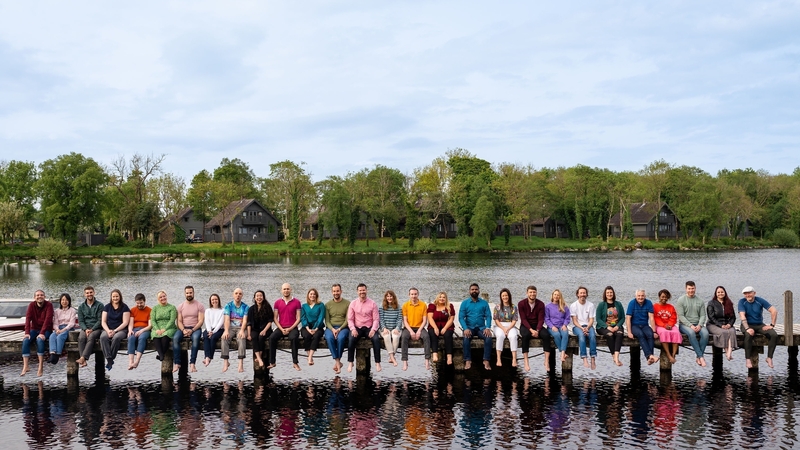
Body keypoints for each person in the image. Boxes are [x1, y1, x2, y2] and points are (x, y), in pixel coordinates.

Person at [738, 286, 778, 369]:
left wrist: (772, 325)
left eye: (749, 293)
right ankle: (748, 359)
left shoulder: (759, 300)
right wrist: (747, 328)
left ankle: (769, 357)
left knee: (773, 335)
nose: (747, 295)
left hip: (759, 325)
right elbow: (742, 316)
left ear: (754, 293)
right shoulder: (742, 302)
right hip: (747, 325)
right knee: (748, 335)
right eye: (745, 294)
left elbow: (773, 310)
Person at [346, 283, 382, 373]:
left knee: (376, 339)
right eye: (360, 290)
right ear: (357, 292)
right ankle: (350, 362)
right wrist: (353, 329)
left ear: (366, 291)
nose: (362, 292)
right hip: (357, 327)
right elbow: (350, 319)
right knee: (351, 339)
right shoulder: (353, 304)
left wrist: (373, 330)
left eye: (363, 290)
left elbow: (376, 319)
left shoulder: (372, 303)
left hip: (369, 327)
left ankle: (377, 362)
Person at [458, 283, 493, 370]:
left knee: (488, 337)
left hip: (481, 327)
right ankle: (468, 360)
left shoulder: (484, 303)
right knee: (466, 338)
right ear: (469, 291)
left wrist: (488, 327)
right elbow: (461, 317)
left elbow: (488, 316)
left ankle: (486, 360)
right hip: (469, 327)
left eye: (476, 289)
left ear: (479, 291)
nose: (474, 291)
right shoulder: (465, 303)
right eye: (472, 289)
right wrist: (465, 328)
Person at [269, 283, 302, 371]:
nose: (286, 291)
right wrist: (281, 329)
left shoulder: (297, 302)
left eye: (288, 289)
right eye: (284, 289)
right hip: (281, 327)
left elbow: (298, 318)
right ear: (281, 290)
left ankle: (295, 362)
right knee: (272, 338)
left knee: (294, 338)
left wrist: (290, 328)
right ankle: (272, 362)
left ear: (291, 290)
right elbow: (275, 318)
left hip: (293, 327)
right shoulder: (277, 302)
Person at [21, 290, 54, 376]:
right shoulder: (31, 305)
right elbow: (28, 319)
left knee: (39, 340)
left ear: (44, 297)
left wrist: (42, 333)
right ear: (34, 297)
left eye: (41, 295)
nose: (40, 297)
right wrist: (27, 332)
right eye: (37, 295)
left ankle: (40, 366)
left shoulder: (49, 305)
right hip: (34, 329)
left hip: (46, 330)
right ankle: (26, 366)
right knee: (25, 340)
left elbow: (48, 320)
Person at [676, 281, 709, 367]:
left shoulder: (700, 301)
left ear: (695, 288)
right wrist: (690, 325)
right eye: (689, 289)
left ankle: (698, 356)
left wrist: (699, 325)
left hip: (698, 324)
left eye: (692, 288)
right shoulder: (681, 300)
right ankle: (701, 357)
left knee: (705, 334)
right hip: (685, 325)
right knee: (691, 333)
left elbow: (703, 315)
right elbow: (681, 316)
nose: (691, 290)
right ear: (686, 289)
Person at [518, 285, 551, 372]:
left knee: (546, 335)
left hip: (537, 325)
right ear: (527, 293)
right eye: (530, 292)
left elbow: (541, 319)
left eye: (534, 292)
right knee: (525, 335)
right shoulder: (521, 304)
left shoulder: (540, 304)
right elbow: (523, 319)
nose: (532, 294)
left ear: (536, 293)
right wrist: (531, 330)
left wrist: (537, 330)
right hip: (526, 326)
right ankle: (526, 361)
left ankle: (546, 361)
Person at [173, 286, 205, 373]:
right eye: (187, 293)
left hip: (195, 328)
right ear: (185, 294)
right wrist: (183, 330)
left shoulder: (199, 305)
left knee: (195, 339)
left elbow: (201, 321)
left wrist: (193, 330)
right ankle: (177, 363)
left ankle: (192, 363)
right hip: (183, 328)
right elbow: (179, 321)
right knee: (175, 338)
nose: (189, 294)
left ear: (193, 293)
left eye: (190, 293)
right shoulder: (181, 306)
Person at [100, 289, 131, 371]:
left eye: (117, 296)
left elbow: (125, 322)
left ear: (120, 297)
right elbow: (103, 322)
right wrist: (108, 331)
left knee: (116, 338)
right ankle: (109, 359)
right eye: (113, 296)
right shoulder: (107, 307)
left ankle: (111, 359)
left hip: (121, 330)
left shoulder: (125, 307)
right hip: (108, 329)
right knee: (103, 337)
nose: (115, 298)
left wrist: (115, 331)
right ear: (111, 297)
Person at [401, 287, 431, 371]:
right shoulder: (405, 305)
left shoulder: (423, 305)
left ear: (418, 294)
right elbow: (405, 321)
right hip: (408, 327)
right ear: (409, 295)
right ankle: (405, 361)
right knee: (404, 337)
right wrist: (411, 331)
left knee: (426, 337)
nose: (414, 296)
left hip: (420, 327)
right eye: (412, 294)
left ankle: (427, 360)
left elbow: (425, 320)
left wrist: (419, 331)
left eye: (415, 294)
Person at [625, 289, 659, 365]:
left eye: (642, 296)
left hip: (644, 325)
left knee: (650, 334)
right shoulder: (632, 303)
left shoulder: (648, 303)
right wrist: (629, 332)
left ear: (645, 296)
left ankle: (650, 357)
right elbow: (628, 318)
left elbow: (651, 318)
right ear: (636, 296)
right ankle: (650, 356)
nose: (640, 297)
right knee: (640, 334)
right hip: (634, 326)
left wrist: (654, 331)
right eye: (639, 296)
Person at [595, 286, 625, 367]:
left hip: (616, 326)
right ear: (605, 294)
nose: (609, 294)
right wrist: (607, 327)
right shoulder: (601, 305)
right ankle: (614, 357)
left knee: (619, 334)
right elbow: (598, 319)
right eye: (607, 293)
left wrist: (617, 326)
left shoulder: (618, 304)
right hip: (603, 327)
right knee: (610, 335)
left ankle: (616, 356)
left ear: (613, 293)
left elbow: (622, 318)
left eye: (611, 292)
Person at [324, 284, 350, 374]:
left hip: (343, 327)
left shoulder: (347, 303)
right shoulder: (327, 305)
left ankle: (337, 362)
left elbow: (347, 320)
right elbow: (327, 321)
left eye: (337, 291)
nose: (336, 293)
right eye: (334, 291)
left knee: (341, 338)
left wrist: (339, 329)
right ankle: (338, 362)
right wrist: (333, 329)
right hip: (330, 328)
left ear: (341, 291)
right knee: (329, 338)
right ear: (332, 292)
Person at [221, 288, 249, 373]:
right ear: (233, 295)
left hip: (241, 327)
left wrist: (242, 330)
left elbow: (245, 320)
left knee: (241, 339)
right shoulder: (228, 306)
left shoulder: (245, 307)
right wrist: (226, 330)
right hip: (230, 327)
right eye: (236, 293)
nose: (238, 295)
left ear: (242, 295)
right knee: (224, 338)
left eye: (240, 294)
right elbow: (226, 320)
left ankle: (240, 363)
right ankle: (226, 362)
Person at [707, 286, 738, 361]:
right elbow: (711, 317)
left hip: (727, 324)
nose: (720, 293)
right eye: (718, 292)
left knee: (732, 331)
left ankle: (729, 351)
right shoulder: (711, 303)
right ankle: (727, 352)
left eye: (722, 292)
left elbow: (733, 317)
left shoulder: (729, 303)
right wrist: (721, 325)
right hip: (713, 324)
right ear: (716, 293)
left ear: (725, 293)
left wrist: (729, 324)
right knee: (723, 332)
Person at [76, 286, 104, 368]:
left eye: (91, 292)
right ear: (84, 294)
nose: (89, 294)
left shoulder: (100, 305)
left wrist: (92, 329)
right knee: (81, 338)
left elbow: (100, 320)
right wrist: (85, 329)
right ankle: (83, 359)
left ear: (94, 293)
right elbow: (81, 321)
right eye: (87, 293)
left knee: (91, 337)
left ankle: (83, 358)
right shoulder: (81, 307)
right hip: (85, 328)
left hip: (96, 328)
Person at [570, 286, 597, 370]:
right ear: (578, 294)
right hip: (577, 327)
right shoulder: (573, 305)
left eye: (584, 293)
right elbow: (574, 321)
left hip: (588, 325)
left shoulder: (590, 305)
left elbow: (591, 319)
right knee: (581, 336)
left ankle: (593, 358)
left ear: (586, 294)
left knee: (592, 336)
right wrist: (582, 328)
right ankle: (584, 358)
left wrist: (587, 327)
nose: (582, 294)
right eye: (581, 293)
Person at [493, 288, 519, 368]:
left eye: (506, 295)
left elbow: (514, 320)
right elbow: (496, 320)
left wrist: (508, 328)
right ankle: (498, 358)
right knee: (500, 336)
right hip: (499, 325)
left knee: (513, 336)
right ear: (501, 297)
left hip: (510, 325)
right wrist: (503, 329)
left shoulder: (513, 307)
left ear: (509, 296)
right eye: (503, 296)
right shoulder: (497, 307)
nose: (505, 297)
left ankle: (514, 359)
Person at [427, 291, 455, 365]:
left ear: (446, 299)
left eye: (443, 297)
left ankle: (449, 356)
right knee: (433, 334)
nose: (441, 299)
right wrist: (435, 328)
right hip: (434, 324)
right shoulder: (432, 306)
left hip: (446, 325)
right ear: (437, 298)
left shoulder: (450, 306)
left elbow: (451, 319)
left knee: (448, 335)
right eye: (440, 297)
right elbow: (430, 318)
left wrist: (445, 328)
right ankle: (435, 353)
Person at [654, 289, 681, 364]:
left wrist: (670, 325)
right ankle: (668, 355)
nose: (664, 298)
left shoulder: (671, 307)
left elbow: (674, 317)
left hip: (670, 325)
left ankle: (673, 354)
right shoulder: (655, 306)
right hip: (660, 325)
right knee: (664, 333)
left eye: (666, 297)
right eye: (662, 296)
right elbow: (656, 318)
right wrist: (664, 325)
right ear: (659, 297)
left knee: (676, 333)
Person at [49, 293, 77, 365]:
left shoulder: (72, 310)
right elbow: (55, 323)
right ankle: (52, 353)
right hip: (59, 328)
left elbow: (71, 324)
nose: (64, 302)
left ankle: (58, 354)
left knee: (60, 337)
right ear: (60, 301)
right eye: (63, 300)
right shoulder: (57, 311)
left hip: (68, 328)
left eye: (66, 300)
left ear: (69, 301)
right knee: (52, 336)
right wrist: (57, 329)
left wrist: (63, 330)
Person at [248, 290, 274, 368]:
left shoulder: (267, 307)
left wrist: (264, 330)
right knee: (254, 337)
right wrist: (249, 334)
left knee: (261, 337)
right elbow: (249, 323)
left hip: (266, 329)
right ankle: (259, 358)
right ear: (254, 298)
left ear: (263, 297)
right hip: (255, 329)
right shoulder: (251, 309)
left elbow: (270, 321)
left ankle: (260, 355)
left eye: (261, 296)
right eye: (257, 296)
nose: (259, 297)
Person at [545, 289, 571, 363]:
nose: (556, 296)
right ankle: (563, 353)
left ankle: (562, 353)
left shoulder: (564, 306)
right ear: (552, 296)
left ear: (560, 296)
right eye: (555, 294)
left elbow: (567, 317)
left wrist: (565, 325)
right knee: (557, 335)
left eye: (558, 295)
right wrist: (552, 326)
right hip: (552, 326)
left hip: (562, 325)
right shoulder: (548, 306)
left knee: (565, 334)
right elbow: (546, 319)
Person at [150, 290, 178, 363]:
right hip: (157, 327)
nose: (163, 298)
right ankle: (161, 355)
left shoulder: (172, 307)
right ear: (158, 299)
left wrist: (165, 329)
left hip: (169, 327)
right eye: (160, 297)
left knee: (165, 337)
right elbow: (153, 320)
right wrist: (157, 329)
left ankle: (161, 356)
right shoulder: (155, 308)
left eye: (164, 296)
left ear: (166, 296)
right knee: (155, 336)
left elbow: (172, 320)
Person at [126, 293, 152, 370]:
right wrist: (130, 330)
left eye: (141, 303)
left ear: (144, 301)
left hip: (145, 329)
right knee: (131, 338)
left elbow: (150, 325)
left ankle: (137, 361)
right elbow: (131, 323)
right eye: (137, 303)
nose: (139, 305)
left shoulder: (150, 310)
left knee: (142, 338)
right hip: (135, 329)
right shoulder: (133, 310)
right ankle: (131, 362)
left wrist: (142, 330)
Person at [300, 288, 325, 366]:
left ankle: (310, 356)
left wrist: (316, 328)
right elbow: (303, 318)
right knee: (306, 336)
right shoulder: (304, 306)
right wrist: (308, 328)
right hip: (306, 327)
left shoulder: (321, 305)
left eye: (314, 294)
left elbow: (321, 317)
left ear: (316, 295)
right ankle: (309, 355)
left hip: (318, 327)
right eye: (311, 294)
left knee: (316, 336)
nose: (312, 295)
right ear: (308, 295)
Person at [379, 290, 403, 366]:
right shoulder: (382, 307)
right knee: (386, 336)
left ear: (393, 297)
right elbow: (381, 319)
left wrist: (397, 328)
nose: (389, 298)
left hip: (395, 328)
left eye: (391, 296)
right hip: (385, 328)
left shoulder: (398, 307)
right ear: (385, 298)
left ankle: (392, 357)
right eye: (388, 296)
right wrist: (384, 328)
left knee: (395, 337)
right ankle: (392, 358)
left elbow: (399, 319)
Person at [202, 293, 225, 366]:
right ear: (210, 301)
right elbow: (207, 321)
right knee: (205, 337)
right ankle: (207, 357)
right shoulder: (208, 310)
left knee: (213, 338)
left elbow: (221, 323)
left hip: (219, 329)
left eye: (216, 299)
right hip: (209, 328)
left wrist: (214, 331)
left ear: (218, 300)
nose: (214, 301)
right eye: (212, 300)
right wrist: (209, 331)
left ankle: (210, 357)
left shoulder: (223, 310)